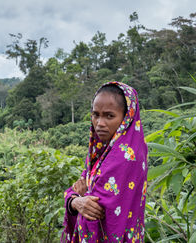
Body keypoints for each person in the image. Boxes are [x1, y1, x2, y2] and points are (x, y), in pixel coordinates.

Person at [61, 82, 148, 243]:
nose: (100, 123)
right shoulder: (102, 153)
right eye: (96, 115)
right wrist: (76, 200)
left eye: (109, 116)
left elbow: (91, 210)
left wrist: (74, 199)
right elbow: (80, 192)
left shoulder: (125, 156)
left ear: (126, 117)